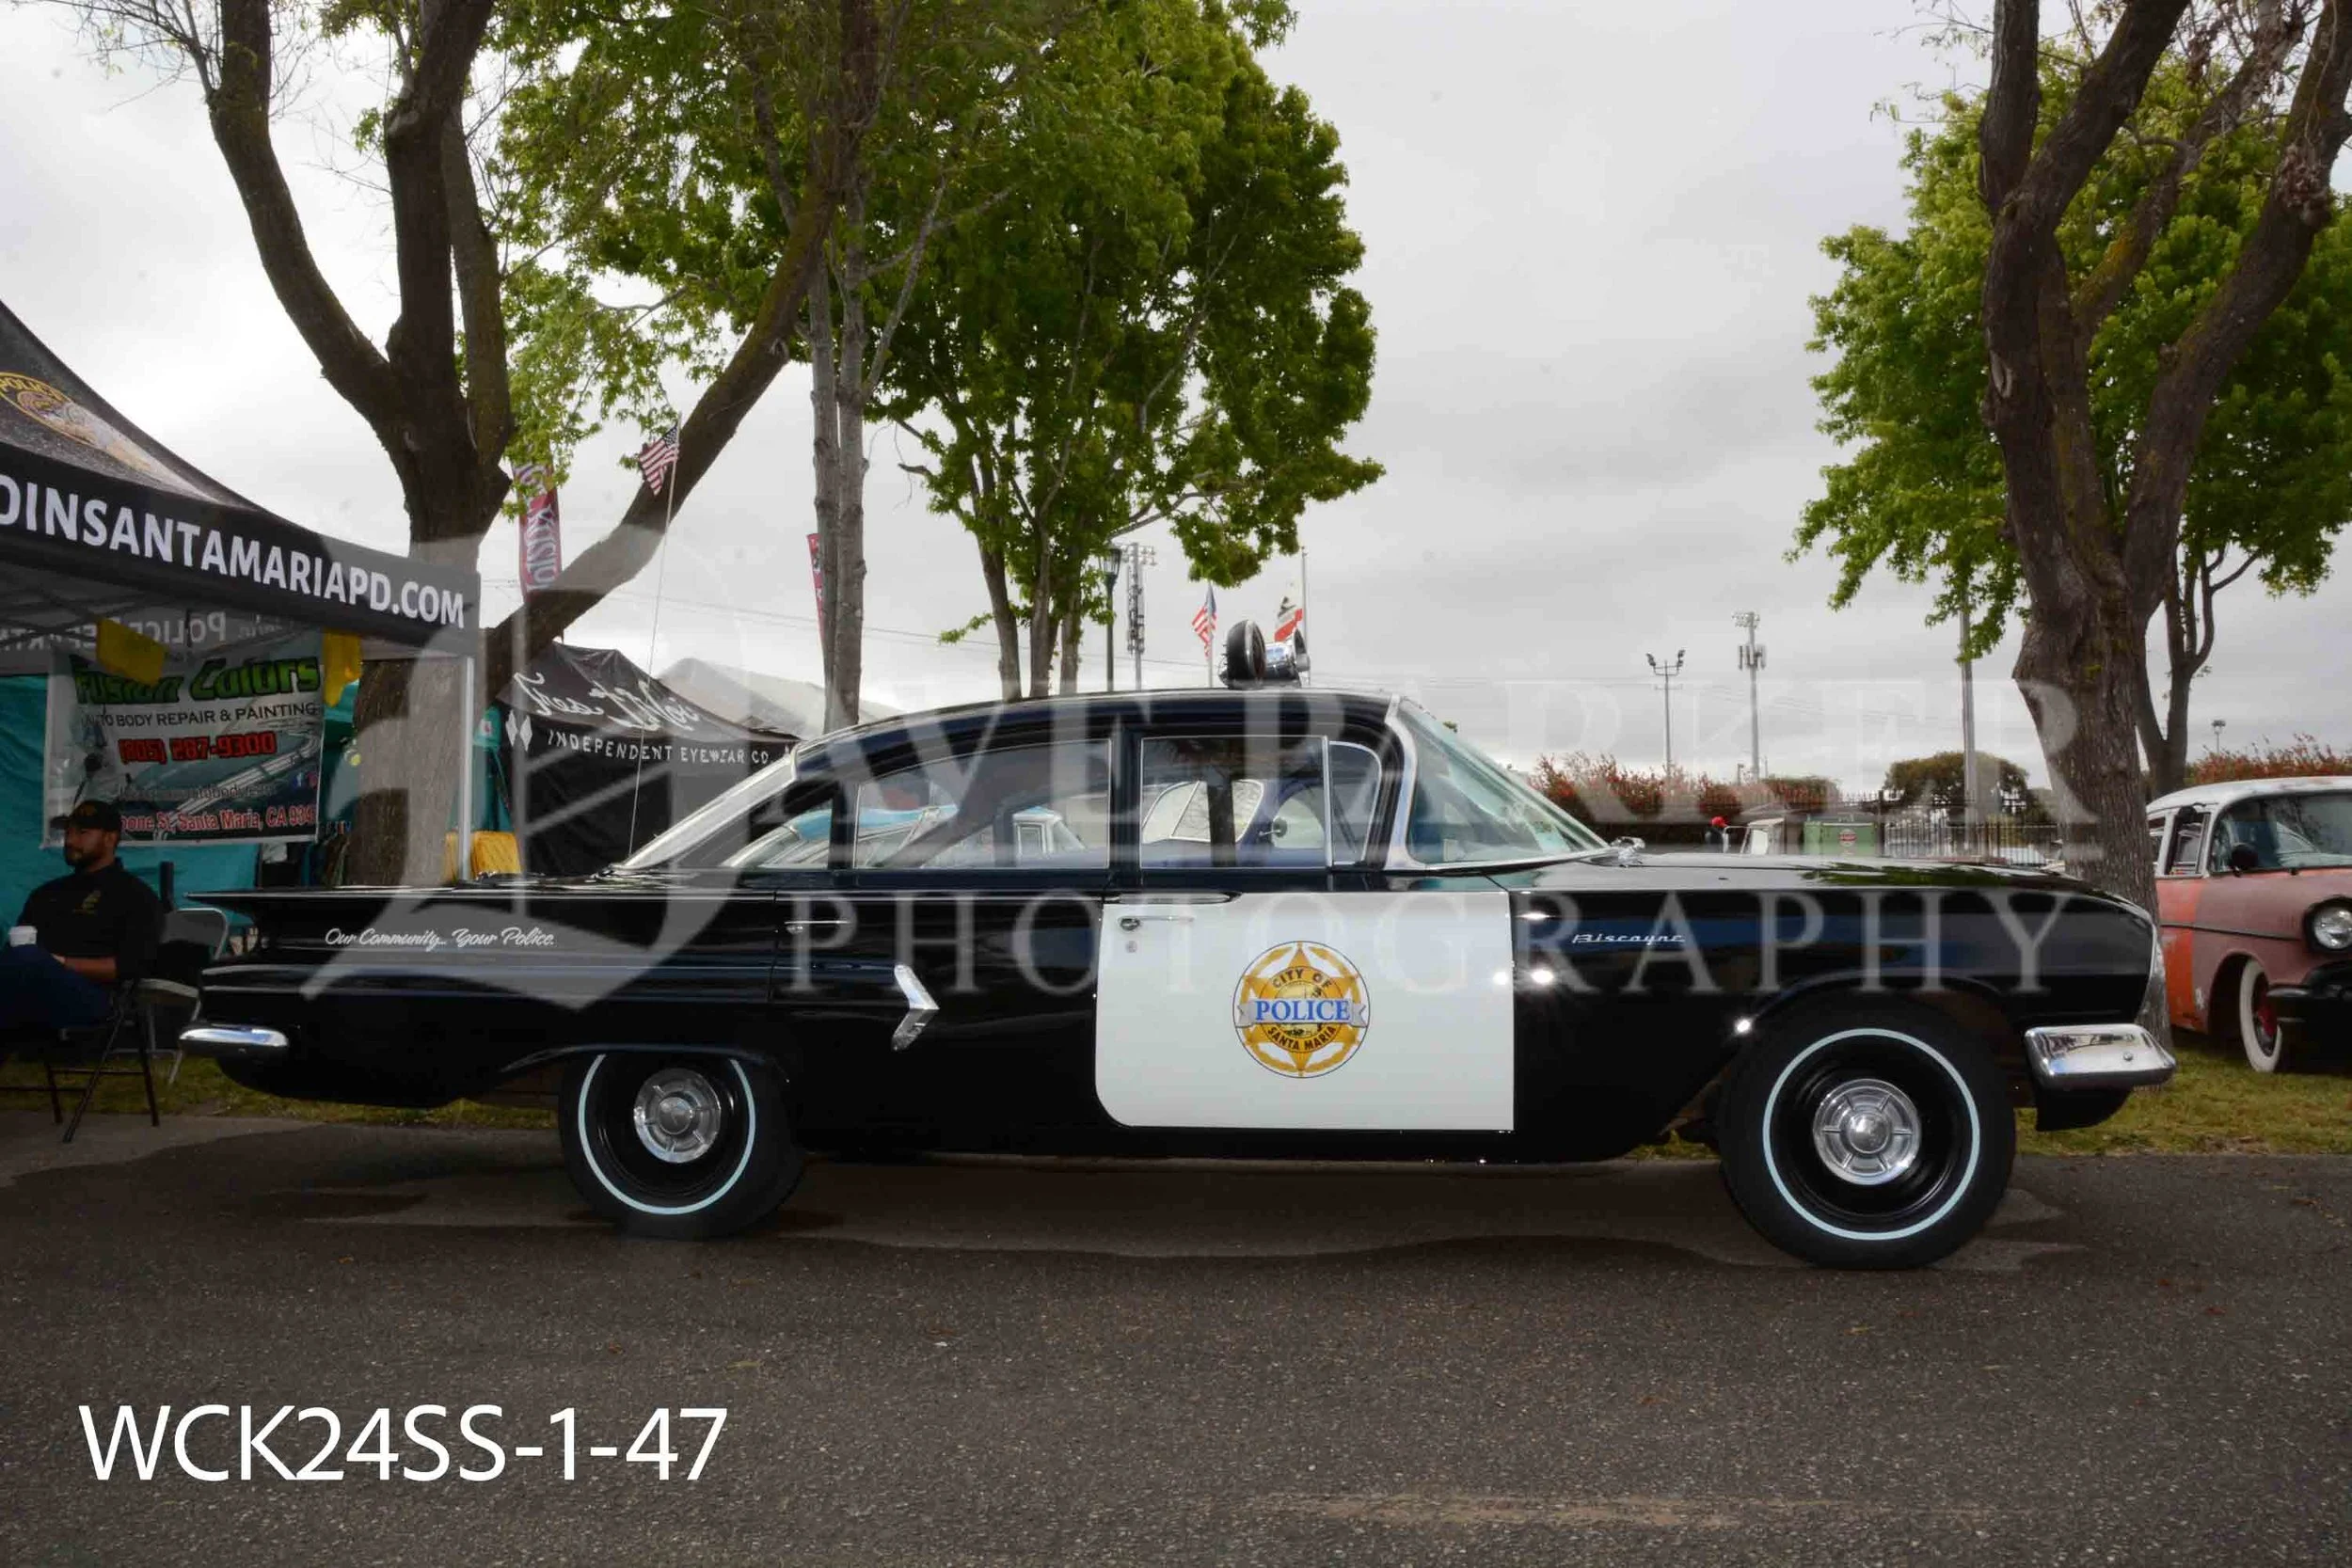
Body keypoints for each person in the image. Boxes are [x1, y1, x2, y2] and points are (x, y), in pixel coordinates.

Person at [1, 800, 162, 1050]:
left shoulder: (135, 895)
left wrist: (59, 962)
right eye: (68, 832)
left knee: (26, 961)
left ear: (110, 838)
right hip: (31, 985)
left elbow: (130, 966)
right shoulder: (46, 894)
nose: (70, 841)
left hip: (94, 998)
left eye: (82, 833)